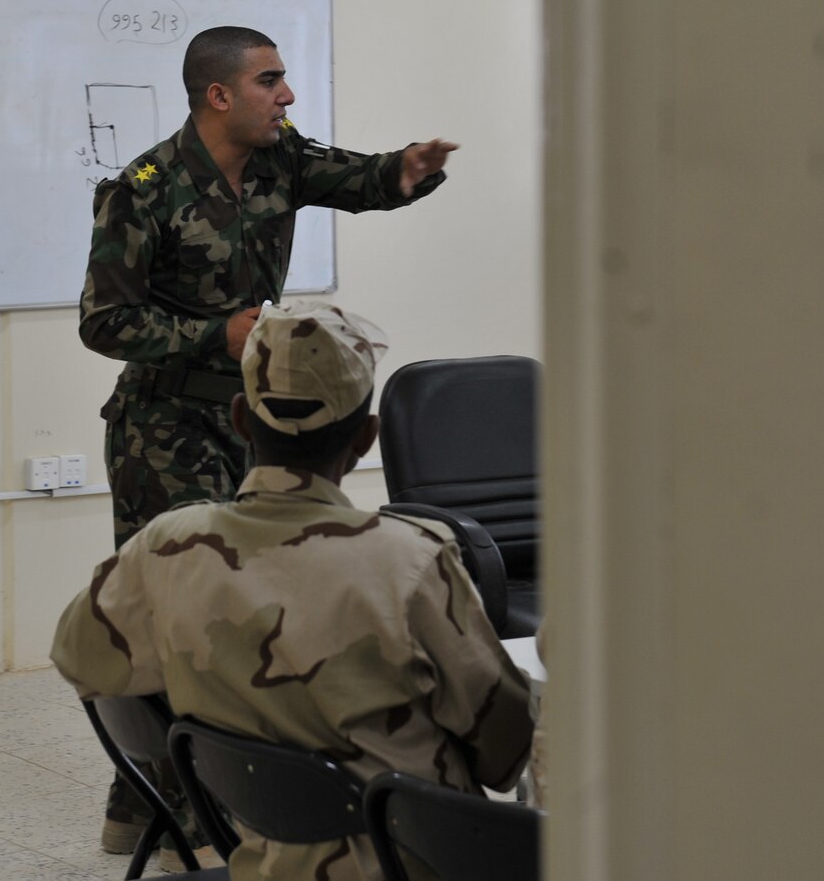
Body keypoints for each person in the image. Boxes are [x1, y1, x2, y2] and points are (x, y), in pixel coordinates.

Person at [79, 25, 458, 853]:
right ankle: (169, 806)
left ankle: (179, 800)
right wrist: (214, 335)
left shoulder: (281, 157)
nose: (286, 95)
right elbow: (104, 321)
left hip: (255, 423)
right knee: (177, 620)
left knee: (238, 619)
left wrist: (408, 169)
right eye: (270, 81)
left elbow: (359, 180)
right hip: (164, 430)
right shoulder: (142, 187)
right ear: (220, 95)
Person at [53, 303, 536, 881]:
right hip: (414, 866)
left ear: (240, 419)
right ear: (366, 437)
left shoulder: (167, 549)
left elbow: (82, 660)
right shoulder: (411, 560)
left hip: (261, 863)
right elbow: (507, 753)